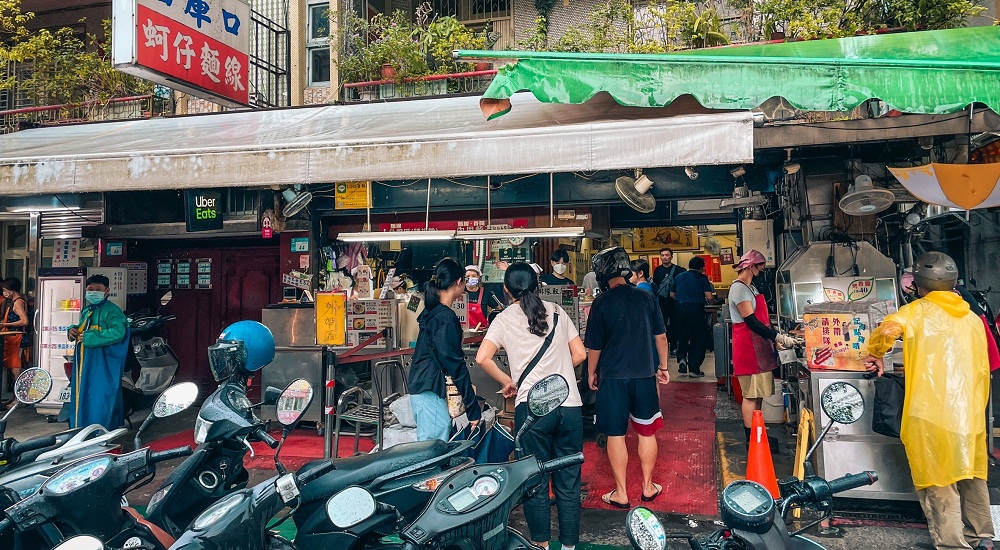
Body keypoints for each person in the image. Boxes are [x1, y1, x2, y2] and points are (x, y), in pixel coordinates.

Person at [865, 252, 993, 550]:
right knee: (971, 474)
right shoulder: (972, 317)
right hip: (969, 413)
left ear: (919, 282)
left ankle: (952, 545)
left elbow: (886, 331)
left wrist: (876, 353)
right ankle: (982, 537)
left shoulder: (915, 313)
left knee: (938, 480)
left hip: (931, 412)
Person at [476, 262, 587, 550]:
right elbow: (580, 353)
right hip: (570, 405)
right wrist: (557, 375)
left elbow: (482, 358)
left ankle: (540, 545)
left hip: (533, 411)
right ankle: (569, 547)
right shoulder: (558, 312)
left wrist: (508, 381)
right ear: (538, 285)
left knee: (536, 482)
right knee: (569, 482)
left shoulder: (503, 318)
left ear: (505, 289)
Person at [585, 247, 670, 509]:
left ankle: (621, 493)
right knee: (646, 432)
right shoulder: (646, 298)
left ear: (602, 272)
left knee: (615, 434)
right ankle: (647, 487)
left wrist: (591, 373)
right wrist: (663, 367)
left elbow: (595, 347)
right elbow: (661, 337)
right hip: (644, 374)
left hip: (612, 378)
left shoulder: (601, 303)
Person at [729, 250, 799, 450]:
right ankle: (751, 440)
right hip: (749, 348)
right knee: (750, 395)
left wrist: (772, 339)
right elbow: (751, 321)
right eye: (760, 266)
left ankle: (759, 435)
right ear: (751, 266)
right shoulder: (740, 289)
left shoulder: (751, 288)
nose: (762, 270)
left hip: (759, 344)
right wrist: (777, 336)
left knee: (758, 394)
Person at [409, 258, 482, 441]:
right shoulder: (445, 318)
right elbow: (455, 364)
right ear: (459, 282)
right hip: (430, 389)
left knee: (429, 449)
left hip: (424, 387)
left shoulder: (432, 311)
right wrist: (473, 410)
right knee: (430, 454)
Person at [67, 275, 129, 429]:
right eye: (90, 290)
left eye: (98, 290)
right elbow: (83, 327)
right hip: (85, 362)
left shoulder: (112, 311)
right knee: (83, 395)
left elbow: (118, 332)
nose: (93, 292)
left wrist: (89, 337)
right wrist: (72, 330)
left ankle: (100, 433)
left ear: (107, 291)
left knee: (100, 398)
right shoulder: (87, 310)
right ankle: (81, 430)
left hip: (103, 364)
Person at [670, 257, 714, 377]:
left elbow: (672, 294)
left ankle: (682, 358)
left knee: (682, 335)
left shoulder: (679, 276)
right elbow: (709, 297)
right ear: (701, 268)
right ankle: (694, 368)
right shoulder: (702, 278)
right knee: (697, 338)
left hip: (680, 309)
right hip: (695, 310)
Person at [651, 247, 685, 355]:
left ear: (671, 256)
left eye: (666, 255)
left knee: (676, 324)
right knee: (662, 325)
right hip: (661, 302)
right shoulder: (657, 270)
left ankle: (674, 347)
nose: (664, 257)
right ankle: (665, 346)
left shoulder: (679, 270)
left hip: (675, 302)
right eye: (662, 255)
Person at [0, 278, 28, 383]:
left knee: (16, 367)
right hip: (13, 338)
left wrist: (5, 324)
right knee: (13, 366)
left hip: (17, 337)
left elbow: (25, 321)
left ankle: (19, 396)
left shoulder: (18, 303)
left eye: (4, 290)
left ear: (11, 290)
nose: (4, 293)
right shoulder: (15, 301)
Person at [464, 265, 503, 330]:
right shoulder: (460, 293)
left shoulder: (485, 293)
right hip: (463, 331)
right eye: (468, 276)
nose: (471, 278)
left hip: (481, 333)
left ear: (478, 277)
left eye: (474, 276)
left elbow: (499, 308)